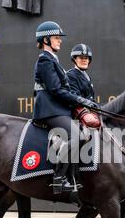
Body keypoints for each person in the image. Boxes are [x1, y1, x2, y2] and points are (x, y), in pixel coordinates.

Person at [33, 21, 98, 194]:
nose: (60, 41)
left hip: (58, 109)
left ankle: (73, 177)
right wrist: (82, 101)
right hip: (49, 109)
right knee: (76, 136)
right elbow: (55, 90)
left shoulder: (54, 60)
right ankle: (58, 179)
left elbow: (64, 90)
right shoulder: (45, 60)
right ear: (46, 40)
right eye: (56, 38)